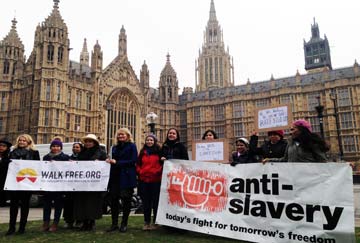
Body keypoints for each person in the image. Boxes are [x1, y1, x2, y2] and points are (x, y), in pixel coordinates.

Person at [7, 134, 40, 235]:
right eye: (20, 140)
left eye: (24, 141)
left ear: (29, 142)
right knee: (13, 207)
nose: (21, 142)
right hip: (15, 183)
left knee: (25, 206)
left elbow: (38, 166)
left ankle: (22, 228)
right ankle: (11, 228)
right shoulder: (12, 152)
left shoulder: (34, 152)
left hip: (27, 183)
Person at [73, 134, 107, 231]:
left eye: (90, 141)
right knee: (82, 202)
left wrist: (99, 162)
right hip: (82, 183)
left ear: (94, 143)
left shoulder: (101, 152)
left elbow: (105, 165)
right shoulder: (82, 152)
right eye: (86, 141)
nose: (88, 143)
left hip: (94, 183)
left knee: (92, 202)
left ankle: (91, 222)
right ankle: (84, 222)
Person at [106, 128, 137, 233]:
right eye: (118, 135)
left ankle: (124, 223)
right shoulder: (114, 147)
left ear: (128, 136)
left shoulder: (132, 146)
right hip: (115, 177)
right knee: (113, 201)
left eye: (122, 135)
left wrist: (117, 162)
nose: (120, 136)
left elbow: (133, 161)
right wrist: (109, 161)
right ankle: (114, 224)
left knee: (126, 201)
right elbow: (112, 159)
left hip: (126, 177)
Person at [42, 140, 70, 232]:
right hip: (48, 185)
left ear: (61, 148)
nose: (55, 148)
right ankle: (46, 222)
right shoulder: (46, 157)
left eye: (58, 146)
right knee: (47, 205)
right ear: (51, 147)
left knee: (58, 206)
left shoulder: (65, 157)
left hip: (59, 186)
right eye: (53, 146)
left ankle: (55, 223)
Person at [136, 134, 162, 231]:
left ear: (154, 141)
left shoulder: (159, 152)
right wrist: (140, 171)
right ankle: (146, 222)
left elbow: (162, 164)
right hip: (144, 181)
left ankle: (156, 222)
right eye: (148, 140)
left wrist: (156, 172)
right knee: (146, 203)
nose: (149, 142)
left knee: (156, 203)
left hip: (155, 181)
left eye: (151, 140)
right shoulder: (143, 152)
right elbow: (138, 164)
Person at [63, 142, 84, 229]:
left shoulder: (84, 158)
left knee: (78, 203)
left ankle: (79, 221)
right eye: (74, 147)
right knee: (68, 203)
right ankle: (68, 221)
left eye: (77, 147)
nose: (75, 148)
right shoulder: (68, 158)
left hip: (80, 185)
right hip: (70, 186)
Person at [0, 139, 12, 207]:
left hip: (3, 184)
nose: (1, 147)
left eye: (3, 146)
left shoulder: (9, 158)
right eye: (0, 145)